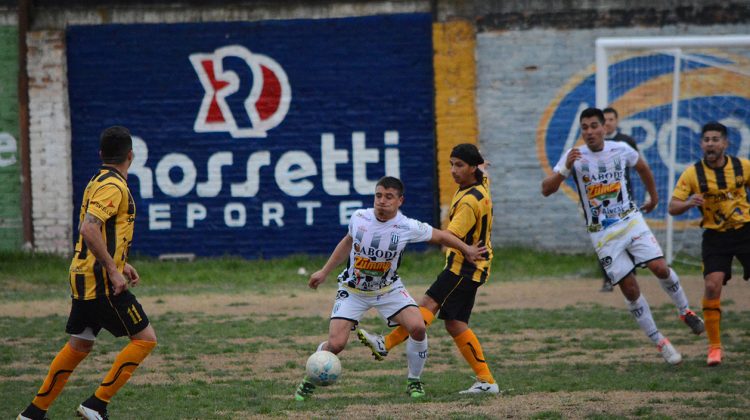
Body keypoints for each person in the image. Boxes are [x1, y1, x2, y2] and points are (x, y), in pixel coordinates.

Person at [294, 176, 486, 401]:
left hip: (387, 289)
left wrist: (467, 250)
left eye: (388, 197)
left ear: (400, 200)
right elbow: (347, 242)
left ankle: (414, 380)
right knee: (336, 344)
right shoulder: (359, 217)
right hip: (353, 290)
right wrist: (324, 271)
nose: (382, 201)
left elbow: (442, 235)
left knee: (418, 327)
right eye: (378, 196)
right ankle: (311, 376)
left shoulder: (407, 226)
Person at [540, 107, 704, 365]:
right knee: (630, 289)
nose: (589, 132)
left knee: (659, 267)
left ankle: (686, 311)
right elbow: (546, 190)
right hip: (602, 234)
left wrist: (654, 196)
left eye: (594, 126)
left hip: (630, 220)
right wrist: (564, 170)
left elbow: (643, 168)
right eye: (584, 127)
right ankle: (660, 341)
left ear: (605, 127)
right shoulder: (574, 156)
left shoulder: (621, 149)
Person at [18, 126, 157, 420]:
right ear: (131, 155)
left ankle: (33, 413)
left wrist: (120, 262)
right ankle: (96, 404)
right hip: (100, 281)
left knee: (80, 344)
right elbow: (89, 228)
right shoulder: (114, 186)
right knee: (145, 339)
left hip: (85, 275)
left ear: (101, 155)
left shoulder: (98, 179)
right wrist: (112, 269)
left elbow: (99, 231)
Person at [358, 143, 500, 394]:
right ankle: (486, 381)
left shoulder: (469, 202)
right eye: (451, 164)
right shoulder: (479, 186)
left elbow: (449, 236)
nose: (453, 170)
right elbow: (484, 173)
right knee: (455, 324)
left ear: (471, 168)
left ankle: (385, 343)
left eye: (459, 165)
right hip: (474, 268)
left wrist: (413, 232)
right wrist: (481, 166)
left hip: (462, 268)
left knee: (427, 306)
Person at [668, 121, 750, 367]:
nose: (710, 144)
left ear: (725, 143)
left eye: (716, 139)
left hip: (745, 231)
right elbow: (673, 207)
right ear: (701, 144)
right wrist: (689, 202)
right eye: (706, 140)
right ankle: (715, 347)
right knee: (712, 286)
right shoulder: (693, 174)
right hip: (715, 237)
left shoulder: (742, 166)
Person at [598, 107, 640, 292]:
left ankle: (631, 273)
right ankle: (608, 278)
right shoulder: (594, 144)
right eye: (604, 120)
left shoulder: (626, 142)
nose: (608, 123)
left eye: (610, 119)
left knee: (629, 236)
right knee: (604, 240)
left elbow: (640, 166)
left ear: (616, 121)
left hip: (624, 201)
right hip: (600, 203)